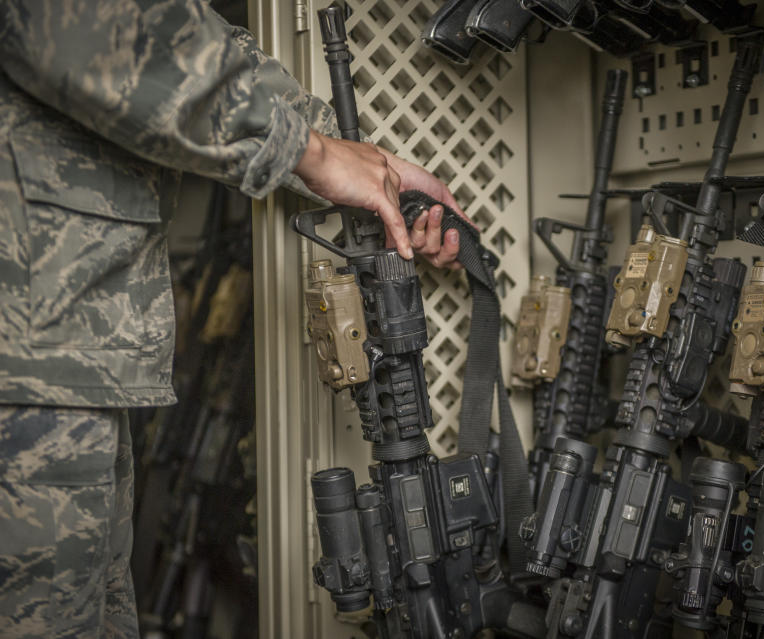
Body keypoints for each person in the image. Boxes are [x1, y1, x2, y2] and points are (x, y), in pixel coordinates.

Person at [0, 1, 465, 637]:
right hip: (31, 344)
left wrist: (359, 164)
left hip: (62, 342)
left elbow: (180, 30)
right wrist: (314, 153)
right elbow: (84, 21)